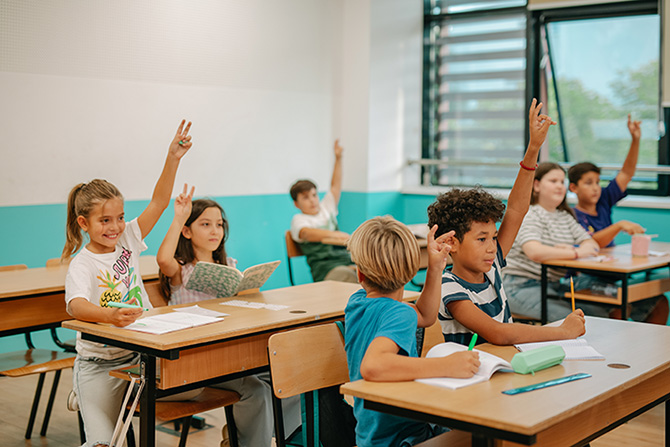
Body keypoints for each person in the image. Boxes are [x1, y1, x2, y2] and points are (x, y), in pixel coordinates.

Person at [63, 120, 193, 447]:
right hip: (99, 364)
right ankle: (86, 394)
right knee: (104, 444)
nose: (116, 226)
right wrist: (108, 316)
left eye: (120, 217)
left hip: (140, 356)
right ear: (84, 223)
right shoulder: (83, 263)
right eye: (105, 220)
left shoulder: (128, 239)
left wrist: (173, 158)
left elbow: (159, 202)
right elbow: (76, 306)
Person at [427, 100, 585, 346]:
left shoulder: (491, 267)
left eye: (493, 237)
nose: (492, 246)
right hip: (472, 377)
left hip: (504, 367)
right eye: (481, 239)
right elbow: (499, 333)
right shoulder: (449, 287)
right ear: (451, 243)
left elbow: (516, 209)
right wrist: (562, 332)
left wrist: (534, 148)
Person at [156, 186, 300, 447]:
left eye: (219, 225)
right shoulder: (182, 271)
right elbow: (163, 258)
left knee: (290, 375)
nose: (215, 231)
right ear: (187, 232)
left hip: (230, 352)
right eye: (206, 224)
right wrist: (178, 217)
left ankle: (280, 438)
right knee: (255, 389)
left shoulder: (230, 267)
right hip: (199, 358)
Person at [344, 216, 480, 447]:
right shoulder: (399, 313)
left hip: (372, 435)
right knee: (483, 439)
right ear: (410, 274)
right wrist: (449, 365)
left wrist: (436, 268)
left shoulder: (356, 302)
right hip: (402, 439)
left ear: (360, 275)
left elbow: (425, 316)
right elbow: (373, 366)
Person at [503, 162, 668, 324]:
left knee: (600, 314)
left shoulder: (564, 216)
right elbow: (535, 251)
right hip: (520, 286)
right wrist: (576, 252)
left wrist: (574, 248)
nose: (560, 186)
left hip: (553, 285)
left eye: (562, 181)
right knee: (572, 321)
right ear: (537, 185)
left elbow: (592, 244)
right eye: (553, 181)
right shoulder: (531, 214)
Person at [568, 114, 645, 248]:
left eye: (597, 182)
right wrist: (618, 226)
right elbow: (591, 243)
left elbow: (626, 173)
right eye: (588, 183)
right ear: (574, 188)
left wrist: (635, 140)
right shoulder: (573, 216)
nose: (595, 188)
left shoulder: (603, 200)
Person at [289, 139, 357, 283]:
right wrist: (335, 234)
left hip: (347, 262)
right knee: (350, 277)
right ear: (296, 203)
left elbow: (335, 186)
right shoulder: (299, 220)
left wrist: (338, 159)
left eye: (314, 195)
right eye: (306, 198)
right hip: (326, 270)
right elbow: (307, 233)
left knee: (375, 274)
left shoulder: (326, 208)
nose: (313, 200)